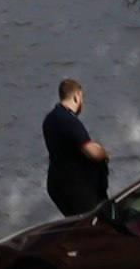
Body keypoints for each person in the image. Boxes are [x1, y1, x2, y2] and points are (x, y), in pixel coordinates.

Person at [43, 80, 109, 217]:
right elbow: (92, 152)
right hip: (76, 185)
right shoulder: (68, 120)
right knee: (92, 224)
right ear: (76, 97)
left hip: (58, 183)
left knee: (77, 223)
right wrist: (103, 152)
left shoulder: (50, 119)